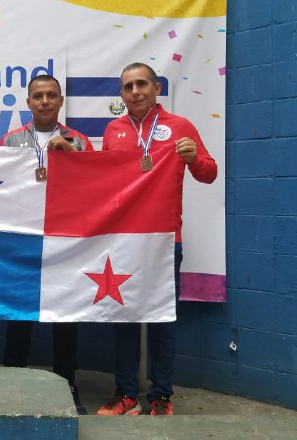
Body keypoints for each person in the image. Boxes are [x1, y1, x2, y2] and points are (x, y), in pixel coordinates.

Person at [95, 63, 217, 416]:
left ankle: (162, 396)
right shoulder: (113, 130)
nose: (135, 91)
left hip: (165, 240)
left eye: (141, 84)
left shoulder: (180, 127)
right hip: (122, 241)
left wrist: (194, 158)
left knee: (162, 321)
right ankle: (125, 393)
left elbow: (209, 173)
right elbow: (103, 183)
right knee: (124, 319)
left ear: (156, 88)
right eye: (128, 86)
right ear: (121, 95)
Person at [0, 74, 94, 414]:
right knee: (18, 314)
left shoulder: (79, 141)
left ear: (60, 100)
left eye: (51, 95)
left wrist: (71, 158)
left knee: (65, 316)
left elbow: (93, 189)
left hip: (63, 241)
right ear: (28, 102)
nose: (44, 101)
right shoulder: (10, 142)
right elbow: (2, 191)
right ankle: (11, 385)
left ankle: (68, 383)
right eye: (37, 96)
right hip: (23, 241)